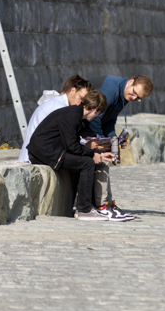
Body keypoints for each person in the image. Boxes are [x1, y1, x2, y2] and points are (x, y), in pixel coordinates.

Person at [26, 90, 115, 221]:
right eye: (98, 113)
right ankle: (84, 210)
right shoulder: (71, 116)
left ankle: (81, 207)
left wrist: (100, 151)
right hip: (45, 153)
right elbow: (72, 146)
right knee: (87, 163)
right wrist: (92, 155)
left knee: (81, 163)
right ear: (95, 110)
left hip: (52, 151)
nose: (97, 116)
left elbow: (83, 138)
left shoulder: (78, 115)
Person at [86, 75, 153, 219]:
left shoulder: (125, 94)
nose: (134, 98)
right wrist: (101, 142)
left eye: (138, 98)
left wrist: (113, 142)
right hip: (87, 130)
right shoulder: (111, 92)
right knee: (102, 162)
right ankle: (102, 205)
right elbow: (96, 117)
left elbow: (110, 120)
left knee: (107, 160)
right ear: (130, 82)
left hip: (97, 129)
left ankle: (107, 203)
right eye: (134, 93)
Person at [17, 75, 92, 164]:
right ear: (72, 90)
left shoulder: (57, 103)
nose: (81, 104)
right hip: (34, 157)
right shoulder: (60, 107)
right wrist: (86, 145)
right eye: (81, 98)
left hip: (36, 153)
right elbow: (68, 140)